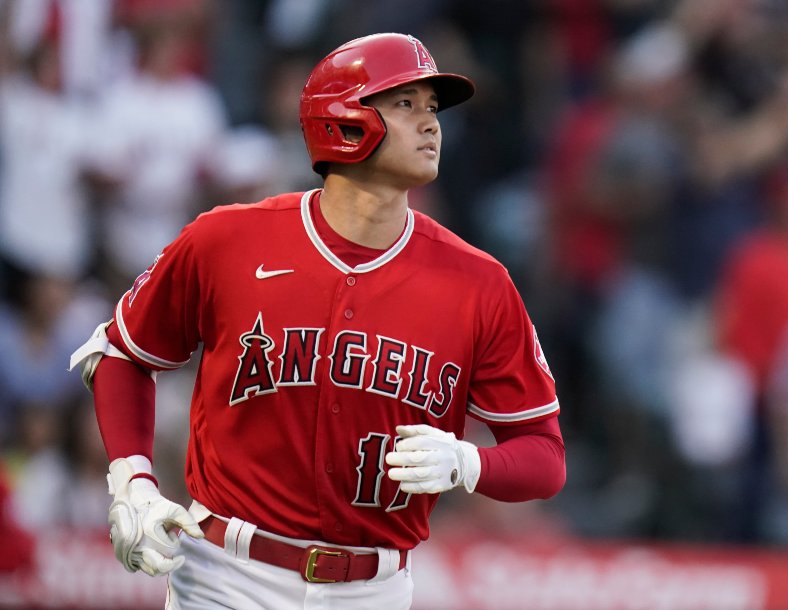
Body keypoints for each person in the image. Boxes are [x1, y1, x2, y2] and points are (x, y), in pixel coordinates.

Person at [69, 32, 566, 609]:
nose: (431, 124)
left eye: (433, 109)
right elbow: (125, 354)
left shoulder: (480, 283)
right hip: (228, 576)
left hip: (374, 590)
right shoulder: (227, 240)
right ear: (343, 120)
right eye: (405, 104)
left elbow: (544, 456)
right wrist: (131, 479)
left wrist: (468, 462)